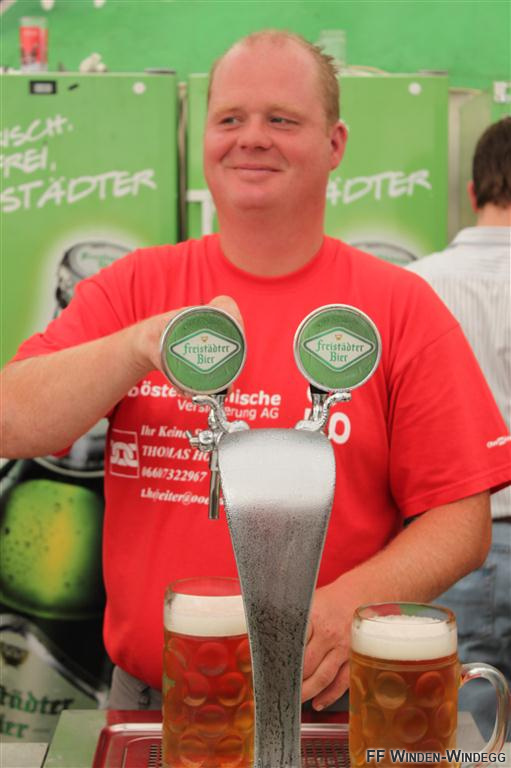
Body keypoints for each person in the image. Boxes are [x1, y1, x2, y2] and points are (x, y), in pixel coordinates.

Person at [1, 30, 510, 713]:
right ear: (204, 138)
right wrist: (140, 345)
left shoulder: (398, 305)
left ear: (335, 144)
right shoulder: (134, 287)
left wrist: (354, 602)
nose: (252, 139)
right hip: (154, 703)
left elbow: (462, 518)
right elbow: (13, 420)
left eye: (282, 119)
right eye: (230, 118)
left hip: (331, 702)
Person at [408, 117, 511, 740]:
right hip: (454, 542)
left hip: (451, 546)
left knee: (463, 738)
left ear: (472, 192)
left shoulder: (414, 286)